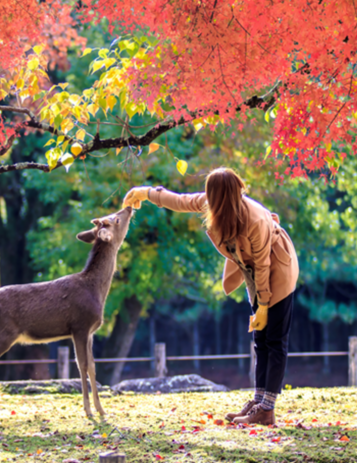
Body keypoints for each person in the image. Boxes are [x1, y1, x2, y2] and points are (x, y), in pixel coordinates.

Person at [123, 167, 299, 425]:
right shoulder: (213, 205)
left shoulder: (256, 219)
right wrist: (146, 193)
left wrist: (263, 306)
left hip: (278, 267)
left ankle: (267, 409)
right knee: (260, 339)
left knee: (275, 339)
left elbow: (264, 266)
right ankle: (258, 401)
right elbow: (180, 201)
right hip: (254, 270)